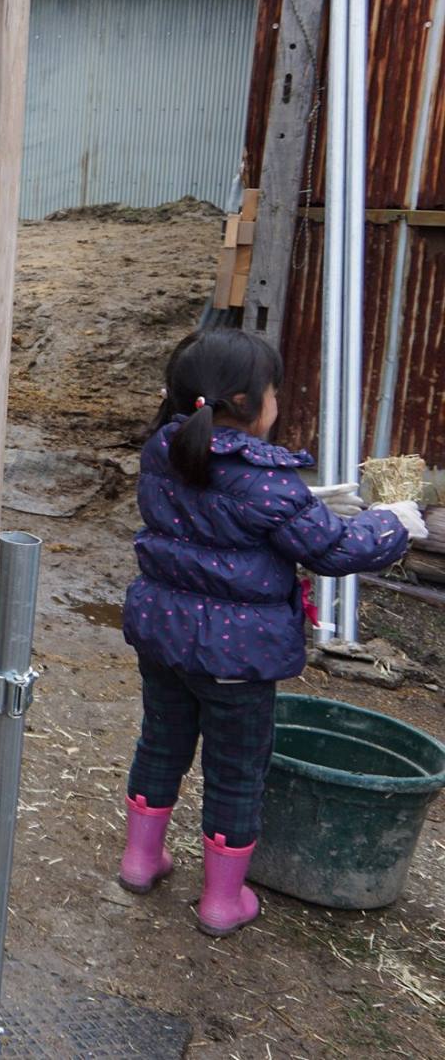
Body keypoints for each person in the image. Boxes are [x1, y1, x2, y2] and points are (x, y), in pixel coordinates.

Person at [115, 328, 423, 936]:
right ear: (249, 403)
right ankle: (221, 902)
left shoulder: (164, 450)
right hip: (236, 655)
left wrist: (306, 503)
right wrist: (394, 525)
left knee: (161, 743)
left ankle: (140, 861)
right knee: (235, 770)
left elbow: (234, 512)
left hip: (164, 635)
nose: (279, 403)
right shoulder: (267, 482)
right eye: (275, 392)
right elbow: (332, 548)